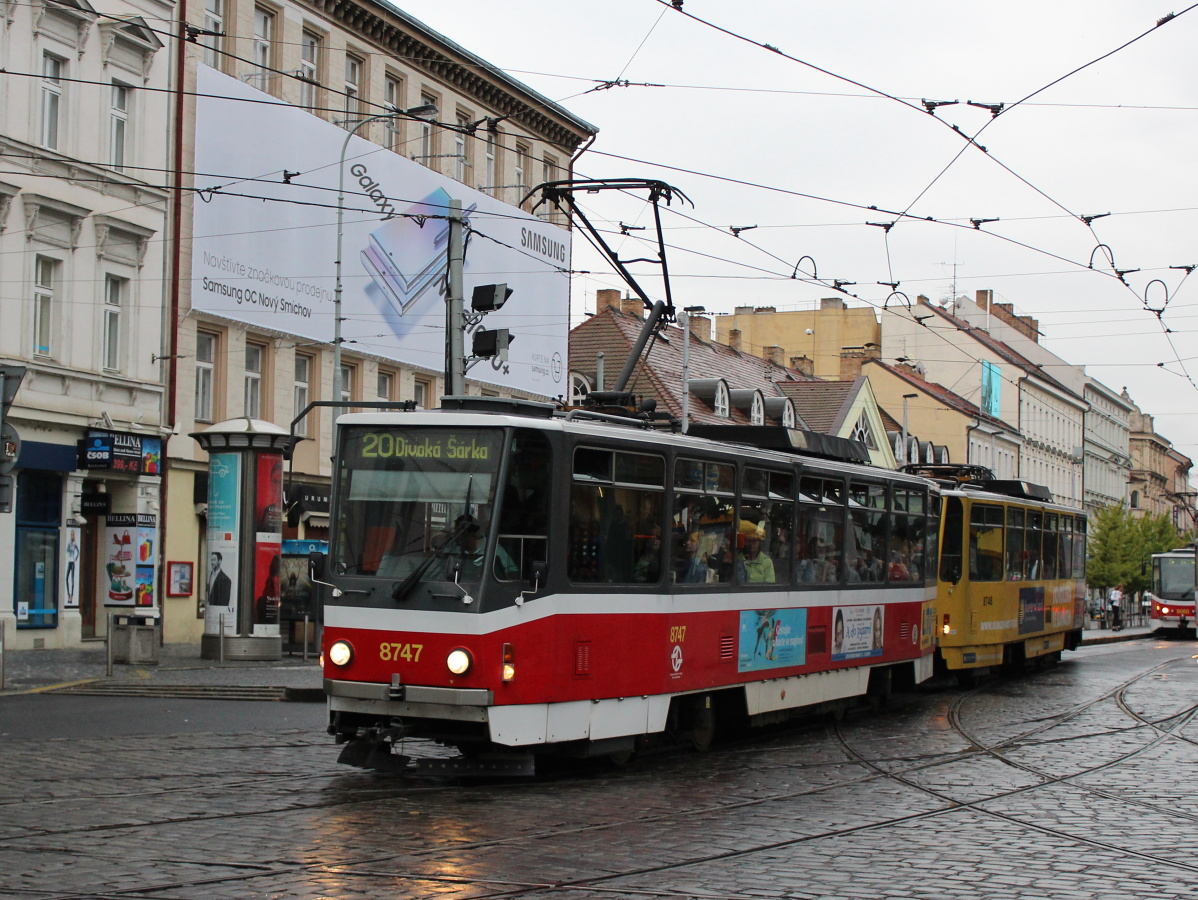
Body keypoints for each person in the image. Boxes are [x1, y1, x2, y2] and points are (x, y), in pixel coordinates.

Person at [451, 515, 518, 581]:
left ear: (472, 533)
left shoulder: (492, 548)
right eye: (456, 533)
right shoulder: (455, 550)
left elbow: (513, 571)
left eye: (460, 534)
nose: (457, 538)